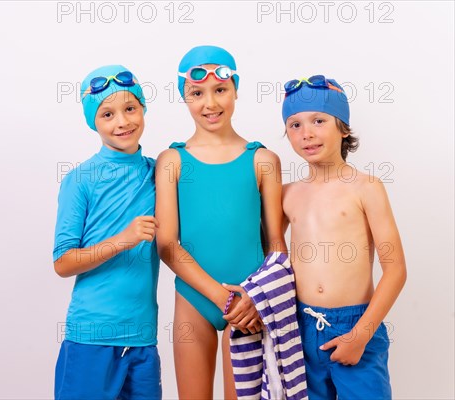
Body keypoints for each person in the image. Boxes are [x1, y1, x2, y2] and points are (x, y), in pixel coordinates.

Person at [155, 45, 286, 398]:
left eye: (220, 90)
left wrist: (257, 298)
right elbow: (167, 244)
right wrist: (220, 297)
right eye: (196, 93)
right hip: (194, 299)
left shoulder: (262, 160)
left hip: (249, 301)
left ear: (236, 90)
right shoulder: (172, 161)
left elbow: (276, 244)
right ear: (184, 96)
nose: (210, 103)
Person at [281, 75, 407, 399]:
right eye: (294, 125)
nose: (306, 133)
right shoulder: (288, 195)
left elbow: (395, 270)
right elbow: (267, 252)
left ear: (343, 128)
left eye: (318, 120)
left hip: (356, 324)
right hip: (300, 325)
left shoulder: (366, 187)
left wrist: (360, 335)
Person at [52, 65, 161, 400]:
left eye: (130, 108)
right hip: (91, 337)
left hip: (143, 338)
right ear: (93, 123)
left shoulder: (160, 173)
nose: (122, 122)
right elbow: (63, 262)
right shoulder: (81, 179)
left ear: (143, 108)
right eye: (107, 114)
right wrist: (121, 240)